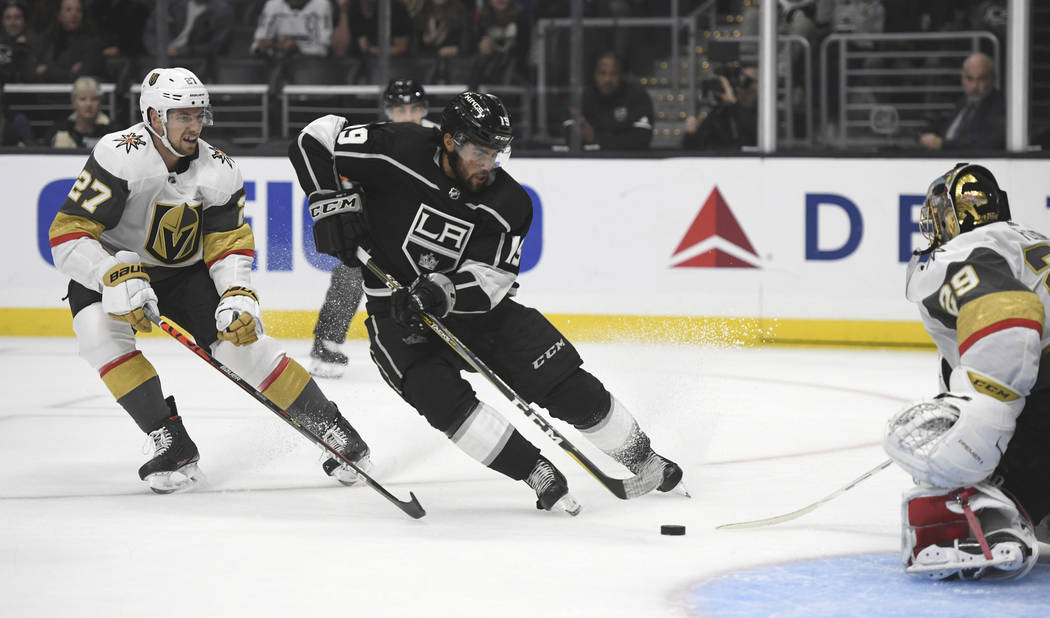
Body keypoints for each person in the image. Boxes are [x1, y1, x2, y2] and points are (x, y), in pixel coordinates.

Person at [288, 91, 683, 513]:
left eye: (498, 152)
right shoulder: (397, 149)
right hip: (396, 313)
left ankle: (642, 457)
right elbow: (315, 136)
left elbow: (493, 280)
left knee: (559, 377)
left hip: (475, 312)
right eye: (480, 150)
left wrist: (441, 290)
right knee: (437, 396)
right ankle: (536, 471)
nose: (489, 163)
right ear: (449, 141)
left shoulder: (510, 203)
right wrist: (329, 203)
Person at [47, 67, 370, 494]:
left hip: (185, 274)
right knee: (97, 335)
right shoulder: (118, 154)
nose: (194, 125)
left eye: (198, 114)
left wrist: (237, 291)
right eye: (182, 115)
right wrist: (110, 273)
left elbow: (229, 242)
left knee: (244, 345)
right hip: (110, 267)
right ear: (154, 117)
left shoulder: (220, 169)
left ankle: (333, 429)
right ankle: (171, 440)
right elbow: (67, 235)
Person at [883, 163, 1047, 581]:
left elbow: (1008, 316)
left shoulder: (957, 251)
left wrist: (982, 420)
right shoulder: (1029, 240)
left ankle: (1008, 507)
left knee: (934, 446)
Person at [305, 78, 435, 379]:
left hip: (425, 231)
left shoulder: (438, 139)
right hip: (380, 228)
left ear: (423, 110)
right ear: (389, 111)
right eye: (401, 109)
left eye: (414, 108)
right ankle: (326, 344)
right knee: (349, 277)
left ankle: (433, 343)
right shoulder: (372, 140)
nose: (408, 115)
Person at [564, 51, 653, 151]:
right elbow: (570, 135)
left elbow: (641, 140)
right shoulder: (582, 98)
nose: (607, 79)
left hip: (628, 163)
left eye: (614, 73)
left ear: (622, 76)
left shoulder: (637, 97)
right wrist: (619, 137)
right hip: (590, 163)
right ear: (594, 75)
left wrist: (596, 138)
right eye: (602, 73)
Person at [919, 52, 1004, 151]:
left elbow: (985, 142)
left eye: (981, 79)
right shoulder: (965, 101)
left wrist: (942, 144)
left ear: (992, 79)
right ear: (962, 78)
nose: (974, 86)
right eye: (969, 79)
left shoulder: (999, 106)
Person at [682, 63, 759, 151]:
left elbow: (753, 137)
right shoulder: (718, 114)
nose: (743, 87)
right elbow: (692, 150)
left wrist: (734, 104)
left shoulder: (765, 111)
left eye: (747, 81)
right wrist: (691, 134)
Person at [33, 0, 104, 83]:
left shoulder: (92, 44)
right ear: (59, 15)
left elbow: (79, 78)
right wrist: (68, 72)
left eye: (79, 10)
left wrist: (47, 71)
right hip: (46, 92)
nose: (74, 14)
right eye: (68, 10)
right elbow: (34, 71)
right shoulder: (47, 41)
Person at [144, 0, 233, 65]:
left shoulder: (222, 11)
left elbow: (216, 45)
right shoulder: (171, 4)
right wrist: (159, 50)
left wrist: (182, 51)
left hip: (196, 62)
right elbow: (151, 31)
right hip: (160, 57)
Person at [250, 0, 332, 59]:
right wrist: (263, 46)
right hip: (275, 62)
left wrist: (298, 47)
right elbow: (257, 43)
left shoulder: (322, 4)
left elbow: (323, 48)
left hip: (310, 65)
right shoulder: (272, 4)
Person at [47, 75, 110, 148]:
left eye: (94, 99)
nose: (88, 104)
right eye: (83, 99)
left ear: (100, 102)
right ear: (74, 102)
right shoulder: (60, 130)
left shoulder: (112, 132)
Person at [0, 0, 39, 84]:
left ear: (24, 21)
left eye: (17, 17)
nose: (12, 22)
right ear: (2, 21)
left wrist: (21, 49)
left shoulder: (35, 43)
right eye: (8, 18)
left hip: (27, 94)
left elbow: (32, 76)